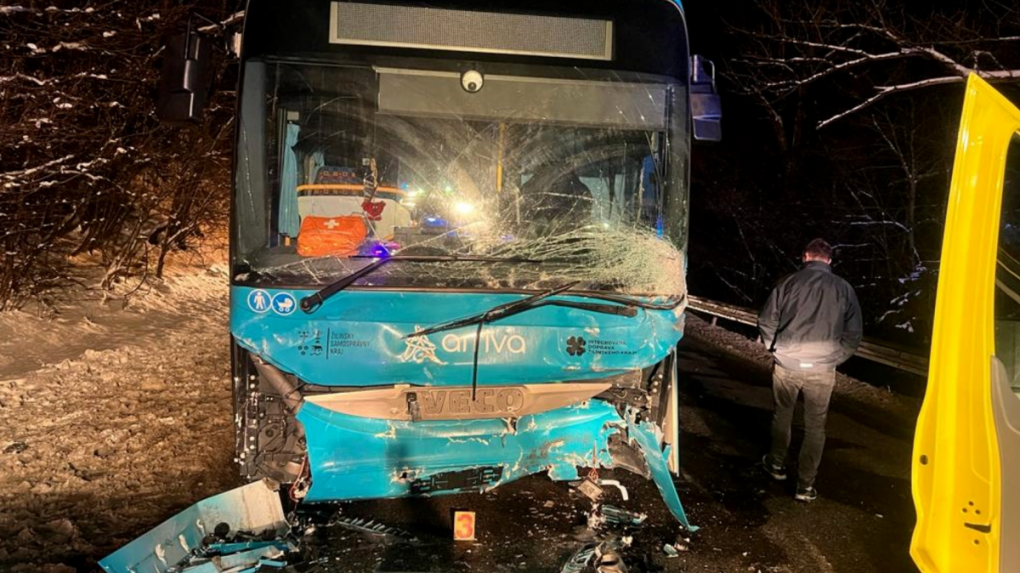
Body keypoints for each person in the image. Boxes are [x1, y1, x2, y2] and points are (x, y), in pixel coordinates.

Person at [757, 238, 862, 502]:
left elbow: (766, 319)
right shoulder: (844, 289)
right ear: (829, 260)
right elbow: (854, 332)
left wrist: (775, 348)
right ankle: (805, 486)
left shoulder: (788, 283)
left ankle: (776, 465)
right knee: (815, 426)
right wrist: (835, 357)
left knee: (783, 415)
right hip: (822, 368)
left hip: (787, 364)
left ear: (805, 257)